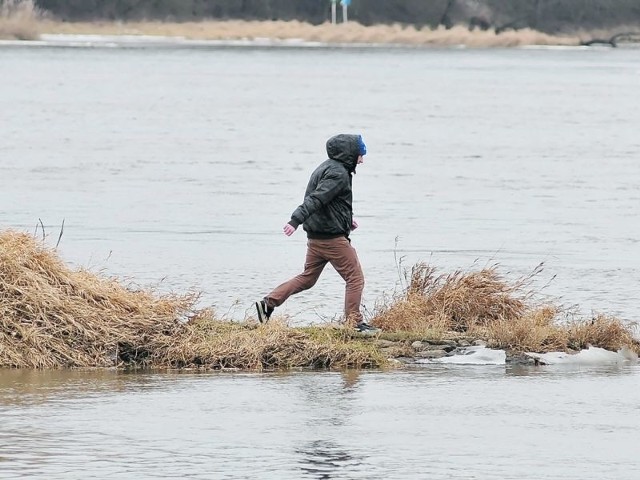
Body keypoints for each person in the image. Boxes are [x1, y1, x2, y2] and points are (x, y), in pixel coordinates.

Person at [255, 133, 380, 333]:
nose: (362, 160)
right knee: (355, 278)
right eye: (360, 155)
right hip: (332, 240)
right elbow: (317, 199)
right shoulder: (338, 173)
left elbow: (331, 202)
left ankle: (268, 303)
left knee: (307, 279)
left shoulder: (327, 167)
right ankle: (354, 324)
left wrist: (347, 221)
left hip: (316, 238)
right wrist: (295, 220)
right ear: (349, 154)